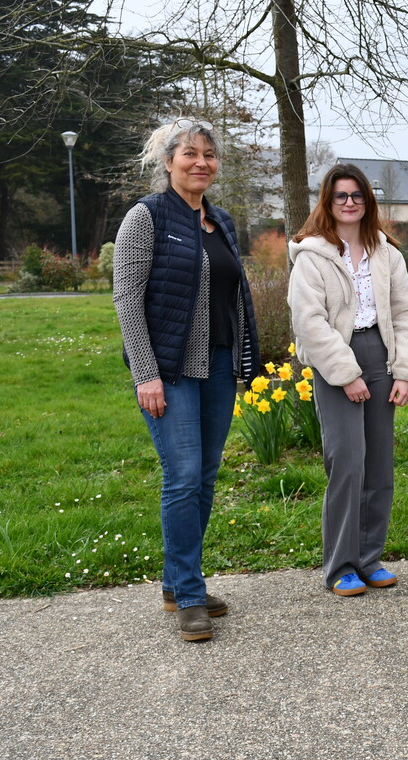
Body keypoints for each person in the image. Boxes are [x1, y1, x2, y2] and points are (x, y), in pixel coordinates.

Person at [114, 118, 261, 641]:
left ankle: (179, 581)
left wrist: (246, 361)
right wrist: (146, 373)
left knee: (204, 476)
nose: (201, 162)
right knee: (182, 475)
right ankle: (190, 598)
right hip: (170, 372)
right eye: (190, 153)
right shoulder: (146, 217)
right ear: (169, 161)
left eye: (210, 154)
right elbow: (127, 301)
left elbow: (234, 297)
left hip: (219, 367)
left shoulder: (220, 221)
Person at [288, 164, 408, 596]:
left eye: (357, 196)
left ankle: (369, 558)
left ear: (368, 201)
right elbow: (310, 323)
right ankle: (342, 564)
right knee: (347, 463)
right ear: (328, 202)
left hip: (380, 356)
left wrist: (403, 370)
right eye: (341, 196)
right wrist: (346, 375)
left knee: (379, 465)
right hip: (335, 361)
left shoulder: (388, 254)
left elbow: (405, 314)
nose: (350, 203)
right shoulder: (312, 257)